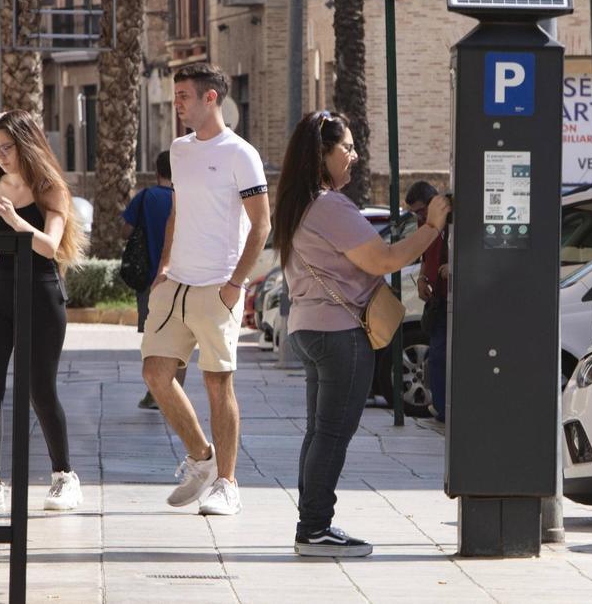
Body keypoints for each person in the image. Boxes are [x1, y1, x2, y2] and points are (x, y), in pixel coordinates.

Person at [274, 111, 448, 557]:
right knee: (332, 434)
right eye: (347, 148)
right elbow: (384, 260)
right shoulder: (329, 206)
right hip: (339, 334)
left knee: (319, 432)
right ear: (322, 154)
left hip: (310, 329)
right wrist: (432, 227)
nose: (354, 155)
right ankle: (315, 528)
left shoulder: (298, 204)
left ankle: (311, 523)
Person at [140, 62, 271, 516]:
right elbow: (177, 212)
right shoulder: (179, 150)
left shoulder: (241, 154)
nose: (176, 103)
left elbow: (262, 224)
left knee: (217, 383)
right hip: (176, 284)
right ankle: (202, 457)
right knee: (155, 373)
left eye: (183, 96)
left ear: (210, 97)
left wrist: (236, 284)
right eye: (176, 95)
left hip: (218, 286)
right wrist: (163, 266)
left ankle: (227, 484)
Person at [0, 109, 88, 512]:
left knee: (39, 388)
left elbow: (50, 246)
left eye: (6, 147)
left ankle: (64, 475)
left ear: (26, 143)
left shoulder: (49, 187)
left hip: (40, 294)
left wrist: (14, 220)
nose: (0, 155)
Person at [122, 151, 186, 410]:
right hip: (183, 278)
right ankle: (176, 392)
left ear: (157, 171)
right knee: (181, 339)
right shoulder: (186, 197)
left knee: (153, 339)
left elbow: (125, 230)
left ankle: (155, 392)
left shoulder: (145, 197)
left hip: (151, 279)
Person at [407, 181, 447, 422]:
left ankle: (444, 409)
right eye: (416, 213)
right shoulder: (424, 223)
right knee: (437, 355)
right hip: (436, 298)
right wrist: (422, 279)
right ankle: (441, 406)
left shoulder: (450, 219)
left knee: (442, 354)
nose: (420, 216)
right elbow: (424, 256)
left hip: (452, 297)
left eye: (422, 210)